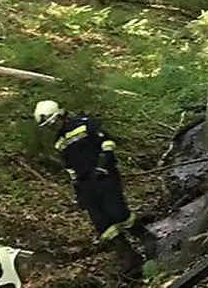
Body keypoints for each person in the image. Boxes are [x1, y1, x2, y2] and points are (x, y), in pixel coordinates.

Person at [33, 100, 143, 282]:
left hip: (105, 176)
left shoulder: (84, 125)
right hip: (86, 183)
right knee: (102, 224)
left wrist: (103, 165)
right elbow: (70, 168)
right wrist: (79, 192)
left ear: (61, 115)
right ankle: (129, 257)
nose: (53, 127)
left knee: (118, 213)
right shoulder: (59, 143)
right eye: (48, 126)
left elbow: (107, 142)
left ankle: (146, 237)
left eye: (53, 122)